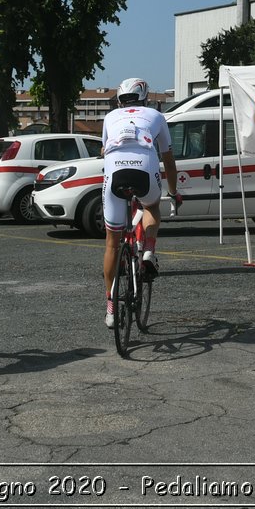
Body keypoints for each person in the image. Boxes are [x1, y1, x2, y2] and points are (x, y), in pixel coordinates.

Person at [100, 77, 180, 329]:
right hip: (144, 170)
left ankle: (111, 308)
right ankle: (148, 251)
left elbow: (105, 151)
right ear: (145, 98)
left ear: (120, 100)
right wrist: (174, 192)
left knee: (112, 243)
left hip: (114, 173)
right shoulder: (156, 116)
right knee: (151, 206)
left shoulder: (110, 118)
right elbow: (168, 159)